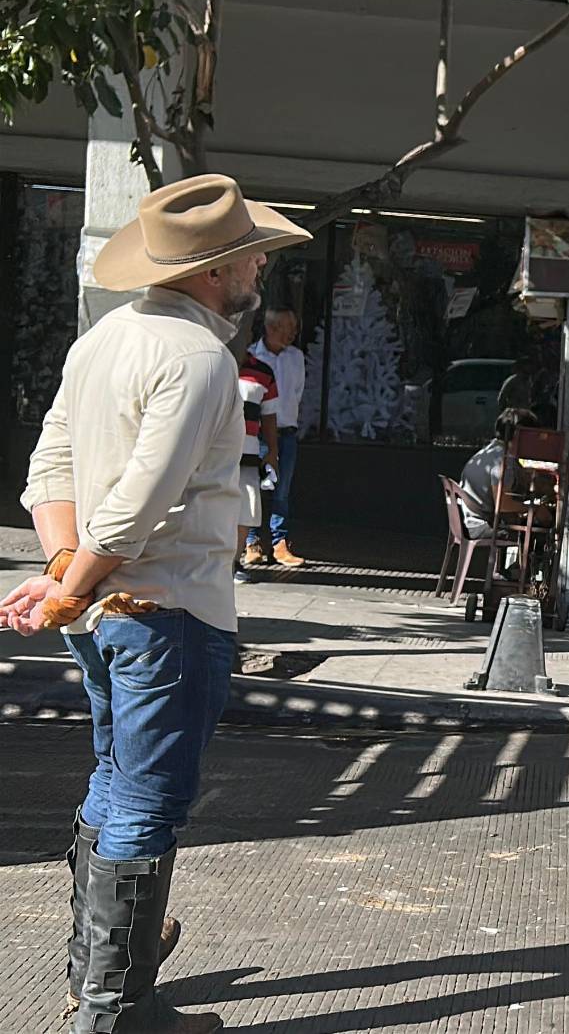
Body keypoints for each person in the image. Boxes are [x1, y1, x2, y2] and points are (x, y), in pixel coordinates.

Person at [4, 173, 309, 1034]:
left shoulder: (103, 340)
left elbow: (48, 470)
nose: (258, 264)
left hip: (106, 611)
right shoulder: (201, 357)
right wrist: (72, 581)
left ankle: (97, 982)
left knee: (114, 781)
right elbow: (144, 499)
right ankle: (115, 1010)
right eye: (249, 252)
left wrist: (68, 572)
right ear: (215, 271)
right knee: (147, 800)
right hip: (167, 610)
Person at [246, 309, 306, 567]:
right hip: (258, 434)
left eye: (294, 328)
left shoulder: (296, 357)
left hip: (287, 433)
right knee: (256, 487)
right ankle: (251, 541)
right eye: (286, 327)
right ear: (271, 328)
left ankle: (279, 542)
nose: (292, 334)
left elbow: (297, 392)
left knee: (282, 490)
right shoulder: (252, 356)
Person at [234, 349, 279, 584]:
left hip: (249, 453)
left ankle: (233, 562)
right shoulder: (211, 360)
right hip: (210, 454)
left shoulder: (263, 372)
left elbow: (270, 416)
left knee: (246, 510)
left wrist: (272, 451)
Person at [459, 408, 536, 542]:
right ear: (521, 435)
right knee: (536, 526)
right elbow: (503, 505)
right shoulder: (502, 461)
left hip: (469, 521)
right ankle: (525, 562)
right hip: (482, 526)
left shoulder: (490, 452)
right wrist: (535, 509)